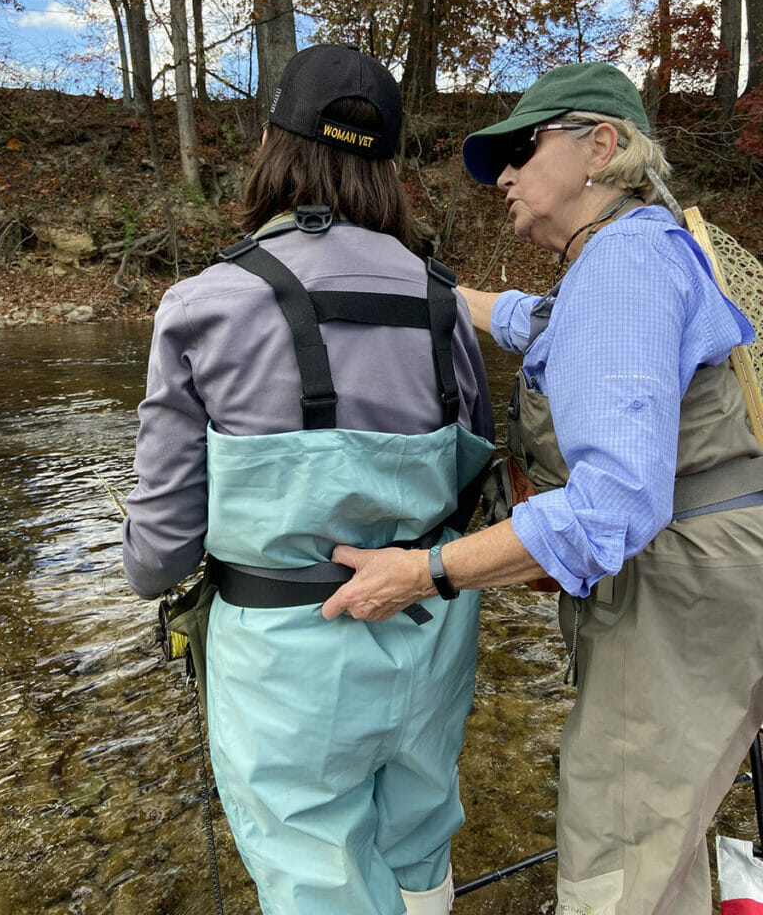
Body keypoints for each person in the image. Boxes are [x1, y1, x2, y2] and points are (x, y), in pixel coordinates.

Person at [322, 61, 763, 915]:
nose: (507, 177)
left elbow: (612, 507)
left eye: (522, 150)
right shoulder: (633, 249)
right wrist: (438, 291)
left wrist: (425, 571)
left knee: (619, 835)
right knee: (666, 829)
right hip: (724, 574)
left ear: (602, 145)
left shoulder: (623, 270)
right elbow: (542, 323)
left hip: (688, 592)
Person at [122, 43, 494, 915]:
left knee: (313, 876)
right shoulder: (446, 302)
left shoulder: (203, 304)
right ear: (391, 170)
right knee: (418, 838)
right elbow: (471, 475)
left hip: (287, 674)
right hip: (431, 636)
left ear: (269, 143)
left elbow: (156, 559)